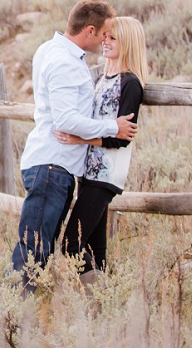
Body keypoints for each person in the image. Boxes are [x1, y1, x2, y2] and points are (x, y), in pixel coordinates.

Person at [11, 0, 138, 293]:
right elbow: (66, 119)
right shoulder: (65, 63)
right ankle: (7, 321)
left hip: (53, 165)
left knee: (38, 252)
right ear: (90, 31)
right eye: (105, 33)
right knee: (32, 253)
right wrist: (112, 127)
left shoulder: (49, 50)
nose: (107, 39)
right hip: (53, 166)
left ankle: (19, 319)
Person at [56, 15, 147, 278]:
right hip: (88, 174)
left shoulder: (130, 84)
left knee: (71, 244)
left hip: (106, 175)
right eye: (105, 36)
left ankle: (99, 296)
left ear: (127, 43)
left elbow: (121, 138)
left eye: (113, 38)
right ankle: (105, 307)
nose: (105, 41)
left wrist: (79, 139)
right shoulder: (102, 78)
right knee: (96, 252)